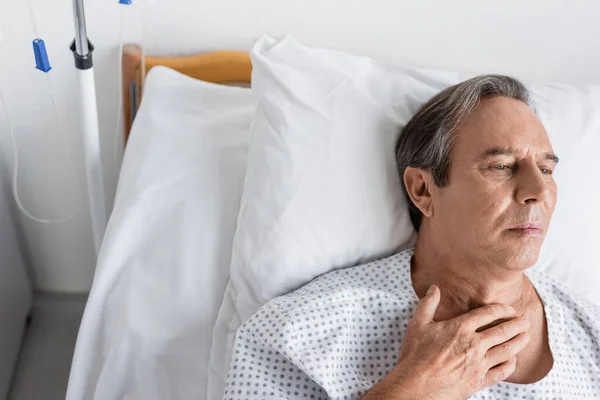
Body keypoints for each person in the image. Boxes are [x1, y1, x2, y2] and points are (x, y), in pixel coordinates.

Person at [223, 75, 600, 399]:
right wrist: (412, 390)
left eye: (547, 169)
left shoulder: (591, 335)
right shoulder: (296, 336)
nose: (537, 189)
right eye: (501, 166)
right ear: (423, 190)